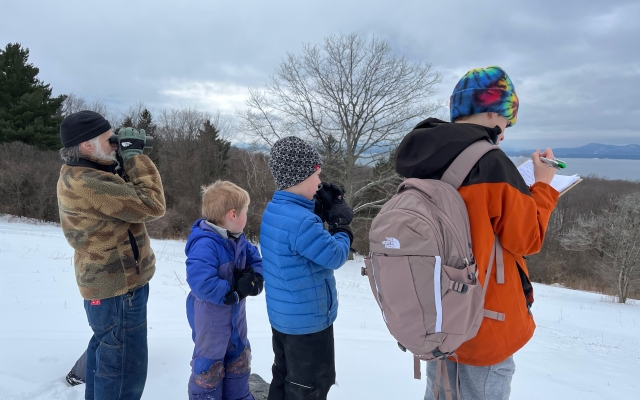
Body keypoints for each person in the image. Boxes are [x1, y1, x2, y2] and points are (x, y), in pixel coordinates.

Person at [394, 66, 560, 400]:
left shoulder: (423, 160)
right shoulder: (492, 163)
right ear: (490, 111)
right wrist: (542, 186)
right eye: (506, 121)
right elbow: (527, 238)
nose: (505, 131)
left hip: (437, 318)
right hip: (484, 324)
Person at [57, 111, 166, 400]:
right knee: (123, 373)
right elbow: (152, 203)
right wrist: (134, 158)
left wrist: (122, 158)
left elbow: (119, 190)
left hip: (107, 288)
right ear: (87, 146)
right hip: (120, 290)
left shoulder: (78, 172)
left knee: (106, 357)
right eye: (110, 140)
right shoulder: (89, 182)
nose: (115, 144)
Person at [259, 136, 353, 400]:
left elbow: (299, 235)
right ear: (300, 178)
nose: (319, 183)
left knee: (284, 375)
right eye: (316, 176)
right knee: (309, 388)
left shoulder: (275, 209)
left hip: (284, 319)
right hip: (309, 325)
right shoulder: (302, 223)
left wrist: (317, 207)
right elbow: (335, 255)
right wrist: (340, 226)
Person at [185, 180, 264, 400]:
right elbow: (201, 282)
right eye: (245, 212)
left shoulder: (239, 240)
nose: (247, 218)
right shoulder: (205, 243)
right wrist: (233, 291)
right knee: (209, 365)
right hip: (211, 320)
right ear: (232, 215)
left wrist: (256, 277)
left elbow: (254, 258)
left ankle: (239, 396)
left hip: (236, 318)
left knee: (238, 357)